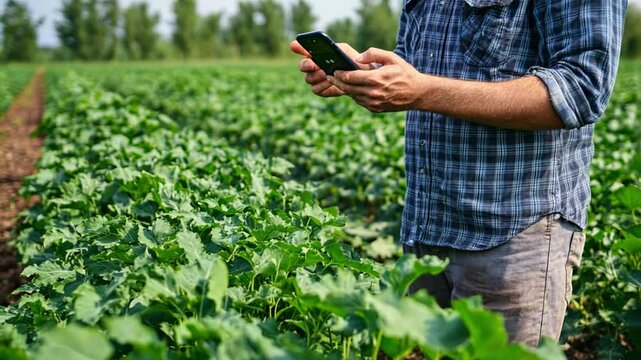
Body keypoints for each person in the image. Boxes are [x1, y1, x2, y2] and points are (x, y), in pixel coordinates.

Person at [291, 0, 627, 347]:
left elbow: (582, 87)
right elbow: (419, 64)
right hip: (427, 229)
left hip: (512, 237)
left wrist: (422, 91)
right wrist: (362, 71)